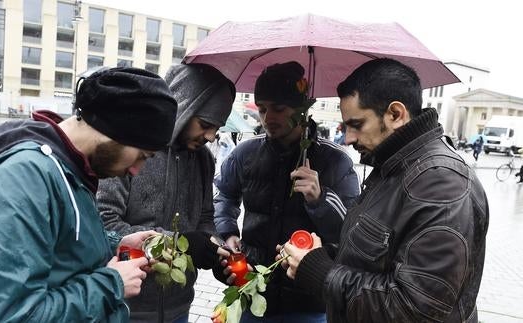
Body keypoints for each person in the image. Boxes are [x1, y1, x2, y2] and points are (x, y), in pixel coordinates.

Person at [0, 67, 179, 322]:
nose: (135, 170)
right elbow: (10, 316)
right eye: (141, 156)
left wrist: (117, 244)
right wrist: (112, 285)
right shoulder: (23, 179)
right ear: (112, 129)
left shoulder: (72, 168)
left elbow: (62, 250)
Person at [281, 58, 489, 322]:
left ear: (395, 115)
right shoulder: (390, 166)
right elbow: (378, 258)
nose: (348, 139)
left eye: (356, 125)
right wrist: (322, 253)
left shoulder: (443, 184)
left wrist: (319, 271)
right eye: (345, 127)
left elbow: (414, 310)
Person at [213, 61, 360, 322]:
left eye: (279, 109)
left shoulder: (335, 161)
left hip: (308, 301)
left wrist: (320, 199)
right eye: (262, 109)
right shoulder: (246, 153)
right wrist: (228, 232)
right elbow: (224, 195)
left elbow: (352, 230)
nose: (268, 117)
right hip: (252, 290)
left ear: (302, 110)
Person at [97, 63, 236, 323]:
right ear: (183, 107)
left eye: (217, 126)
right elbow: (105, 223)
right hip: (127, 308)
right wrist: (180, 242)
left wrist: (216, 251)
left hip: (179, 307)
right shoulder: (131, 149)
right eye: (205, 123)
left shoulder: (204, 159)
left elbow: (205, 218)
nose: (211, 135)